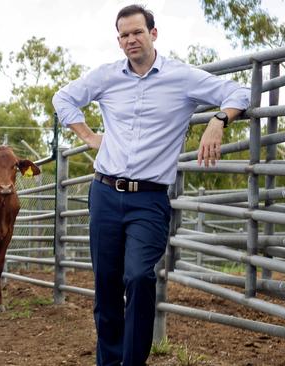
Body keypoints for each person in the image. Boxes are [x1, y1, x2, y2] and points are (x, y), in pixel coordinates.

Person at [52, 4, 250, 366]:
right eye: (124, 35)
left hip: (149, 200)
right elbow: (63, 98)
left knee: (140, 277)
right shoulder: (106, 76)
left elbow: (239, 92)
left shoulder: (182, 77)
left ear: (153, 34)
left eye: (137, 32)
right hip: (105, 193)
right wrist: (89, 135)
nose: (131, 40)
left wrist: (218, 120)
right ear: (119, 40)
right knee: (107, 287)